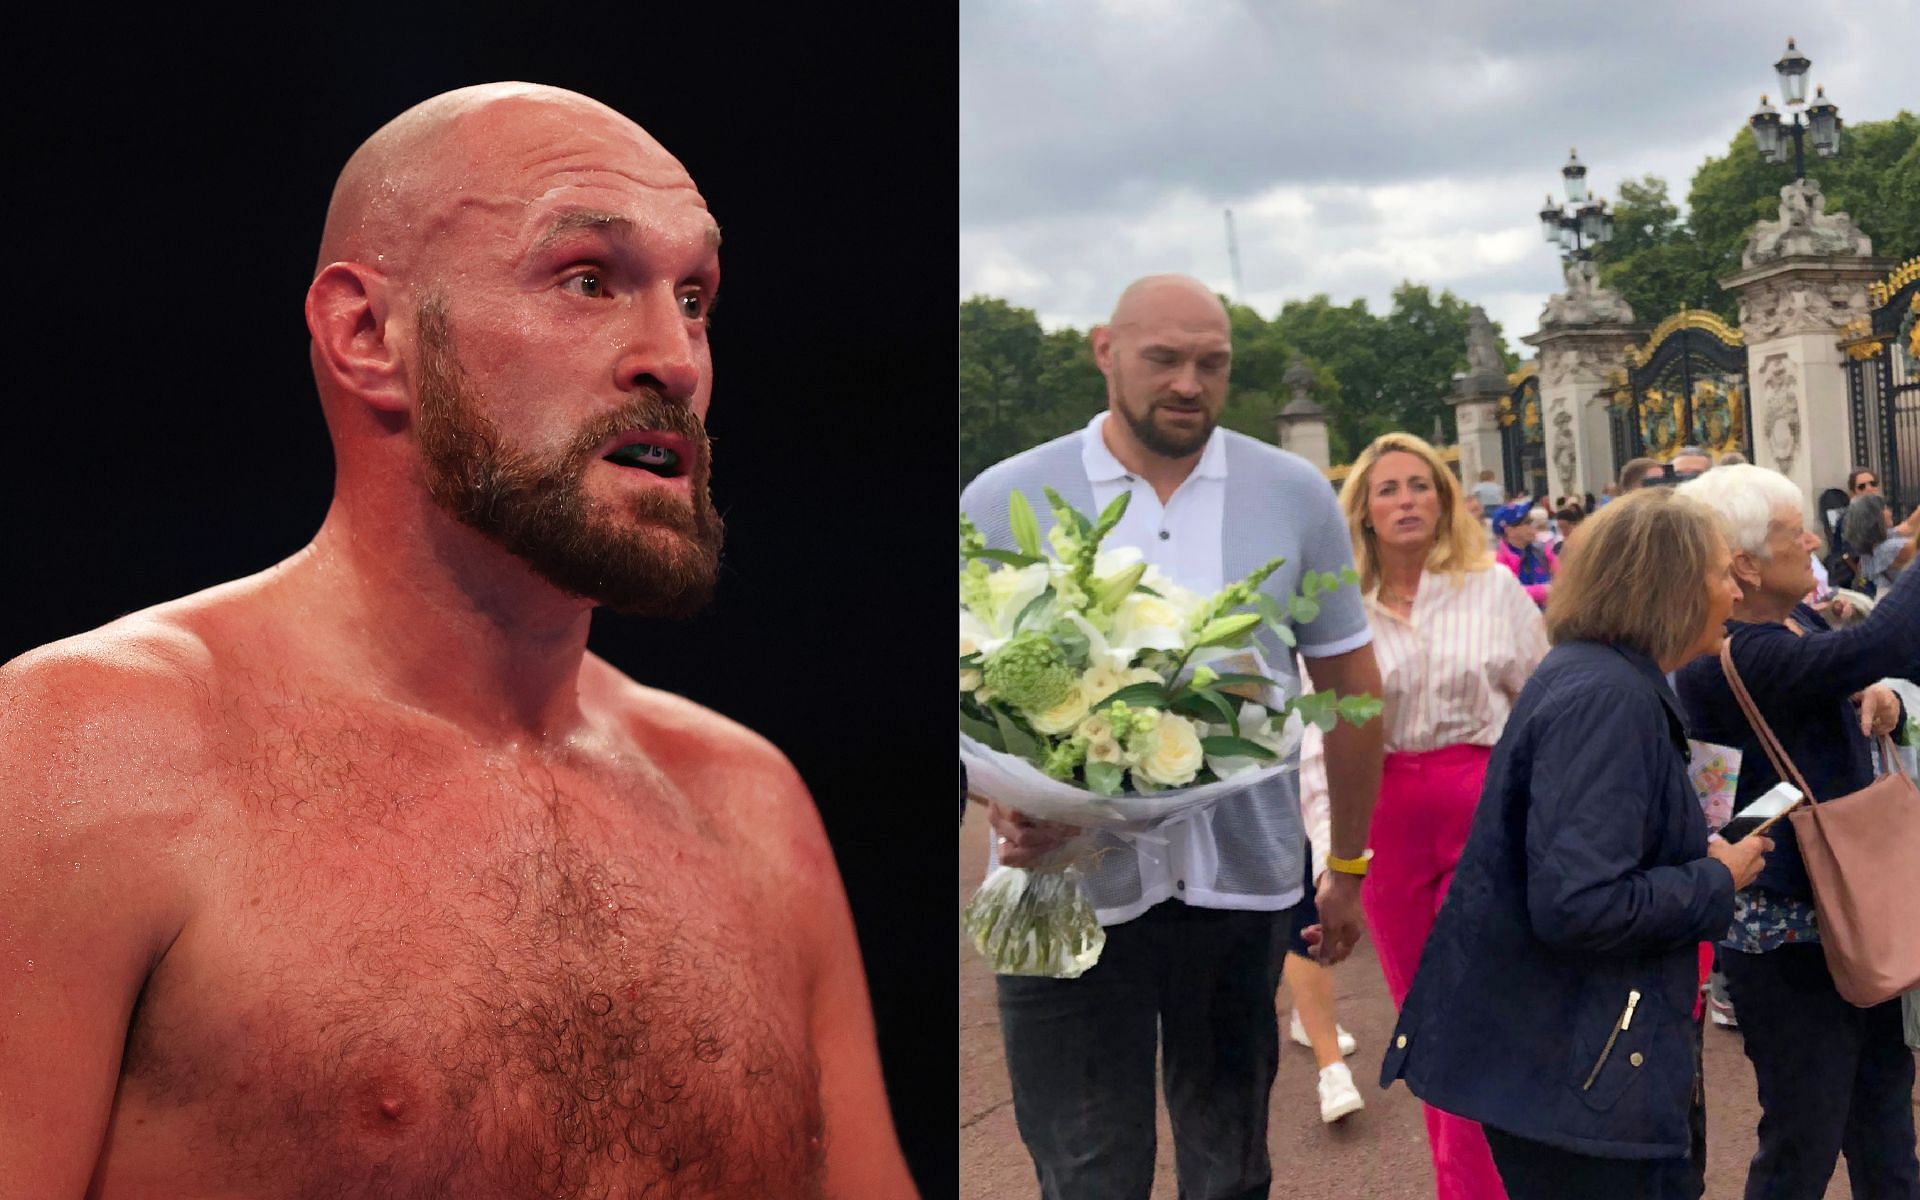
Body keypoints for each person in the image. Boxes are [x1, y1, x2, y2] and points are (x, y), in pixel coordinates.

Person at [0, 84, 915, 1199]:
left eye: (695, 298)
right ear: (365, 334)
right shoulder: (88, 746)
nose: (674, 360)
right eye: (588, 280)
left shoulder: (748, 798)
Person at [961, 273, 1385, 1200]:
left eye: (1214, 364)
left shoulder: (1294, 493)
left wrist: (1346, 866)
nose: (1190, 382)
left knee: (1230, 1167)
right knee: (1084, 1174)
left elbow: (1353, 688)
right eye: (1166, 359)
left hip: (1242, 882)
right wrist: (1001, 796)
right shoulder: (1004, 496)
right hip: (1058, 883)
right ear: (1105, 350)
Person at [1381, 488, 1769, 1199]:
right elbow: (1582, 902)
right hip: (1588, 1076)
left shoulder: (1598, 676)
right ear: (1673, 587)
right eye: (1721, 572)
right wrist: (1718, 877)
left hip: (1580, 1062)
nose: (1736, 589)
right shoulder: (1608, 698)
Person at [1673, 465, 1920, 1200]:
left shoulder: (1794, 622)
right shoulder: (1727, 652)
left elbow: (1845, 675)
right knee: (1804, 1137)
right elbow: (1875, 647)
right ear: (1743, 564)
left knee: (1884, 1118)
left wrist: (1871, 697)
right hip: (1784, 934)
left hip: (1848, 907)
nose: (1814, 539)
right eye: (1793, 532)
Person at [1314, 431, 1550, 1197]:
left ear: (1445, 502)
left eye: (1421, 485)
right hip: (1381, 823)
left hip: (1483, 806)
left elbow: (1544, 705)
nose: (1406, 499)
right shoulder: (1337, 612)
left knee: (1488, 1000)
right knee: (1430, 1016)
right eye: (1388, 489)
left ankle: (1509, 1175)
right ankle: (1473, 1182)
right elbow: (1313, 742)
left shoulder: (1494, 589)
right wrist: (1330, 854)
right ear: (1364, 510)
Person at [1841, 491, 1918, 596]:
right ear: (1874, 516)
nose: (1890, 511)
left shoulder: (1875, 544)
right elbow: (1916, 545)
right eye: (1885, 508)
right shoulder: (1887, 550)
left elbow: (1909, 526)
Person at [1492, 502, 1557, 607]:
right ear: (1510, 531)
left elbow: (1563, 578)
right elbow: (1504, 594)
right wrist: (1542, 591)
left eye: (1531, 521)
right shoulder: (1497, 561)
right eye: (1527, 522)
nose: (1533, 525)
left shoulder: (1542, 550)